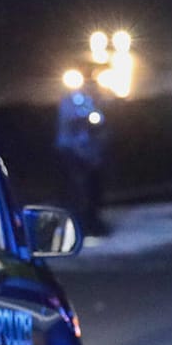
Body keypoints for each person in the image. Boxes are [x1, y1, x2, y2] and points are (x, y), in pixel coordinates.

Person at [54, 88, 109, 237]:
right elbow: (72, 121)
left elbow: (98, 121)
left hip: (89, 154)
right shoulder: (68, 102)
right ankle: (79, 225)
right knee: (77, 189)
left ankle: (93, 221)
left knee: (93, 188)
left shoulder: (88, 101)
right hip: (71, 152)